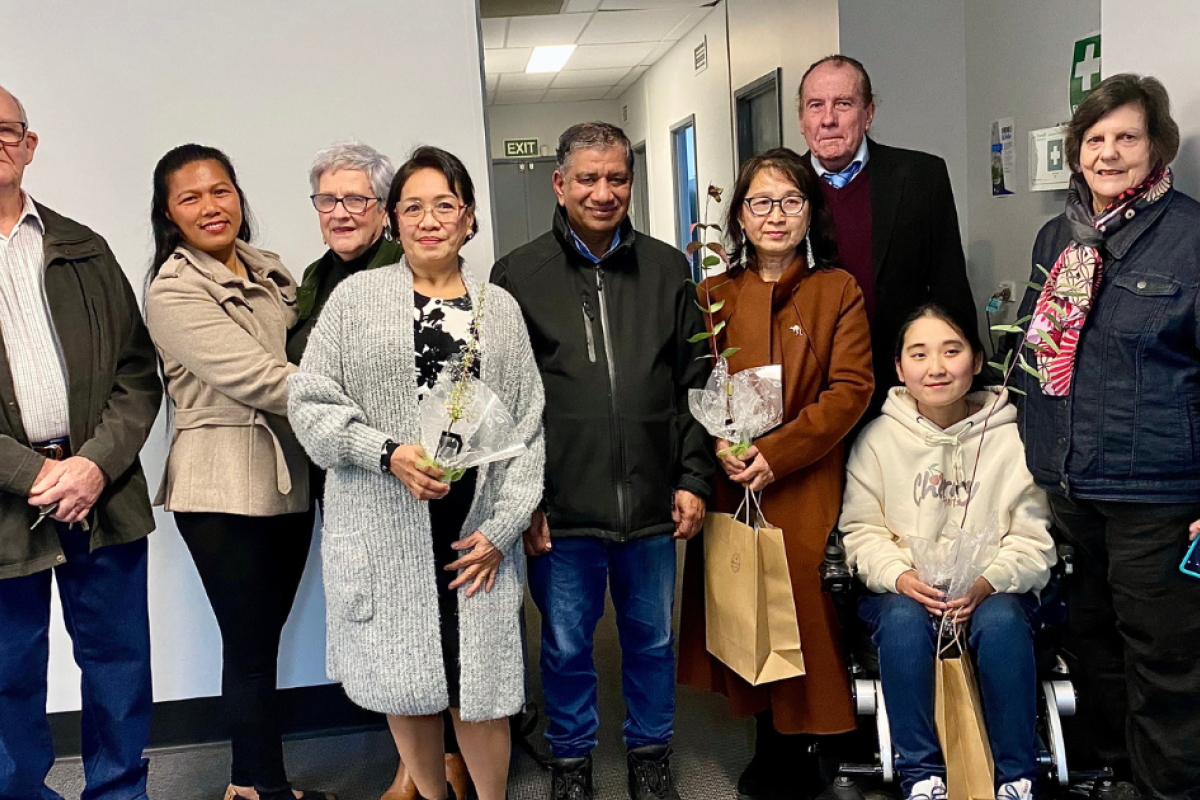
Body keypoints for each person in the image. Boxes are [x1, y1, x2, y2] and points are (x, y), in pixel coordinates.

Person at [289, 146, 544, 800]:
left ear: (469, 219)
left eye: (445, 205)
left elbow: (528, 428)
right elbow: (310, 402)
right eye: (413, 207)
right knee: (404, 678)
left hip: (473, 533)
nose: (429, 220)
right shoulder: (354, 302)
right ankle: (430, 794)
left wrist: (503, 530)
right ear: (393, 220)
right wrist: (385, 451)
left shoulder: (501, 310)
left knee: (480, 690)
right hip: (385, 521)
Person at [491, 122, 713, 800]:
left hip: (651, 500)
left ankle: (650, 756)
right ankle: (571, 763)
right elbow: (502, 403)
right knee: (563, 647)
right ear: (560, 185)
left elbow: (697, 381)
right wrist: (523, 500)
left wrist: (695, 477)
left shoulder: (671, 269)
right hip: (563, 505)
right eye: (587, 178)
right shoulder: (516, 275)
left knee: (650, 643)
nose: (603, 191)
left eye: (617, 177)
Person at [1015, 73, 1200, 800]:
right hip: (1069, 486)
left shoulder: (1190, 238)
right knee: (1091, 651)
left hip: (1159, 495)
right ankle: (1112, 780)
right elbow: (1032, 353)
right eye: (1095, 139)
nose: (1110, 152)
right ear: (1076, 151)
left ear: (1156, 146)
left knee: (1167, 664)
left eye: (1127, 137)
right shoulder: (1057, 235)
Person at [676, 148, 874, 799]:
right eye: (761, 202)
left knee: (804, 607)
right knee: (743, 604)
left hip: (804, 476)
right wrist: (720, 448)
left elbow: (850, 390)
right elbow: (691, 383)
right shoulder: (711, 295)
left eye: (791, 201)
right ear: (739, 214)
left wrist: (779, 453)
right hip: (732, 480)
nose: (776, 215)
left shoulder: (835, 290)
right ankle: (767, 739)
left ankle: (815, 740)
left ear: (811, 212)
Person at [143, 144, 326, 800]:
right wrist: (353, 397)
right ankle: (265, 790)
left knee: (261, 641)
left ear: (238, 197)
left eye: (219, 191)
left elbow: (305, 348)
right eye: (189, 197)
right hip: (222, 481)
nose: (209, 206)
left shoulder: (271, 270)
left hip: (288, 472)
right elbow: (254, 375)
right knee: (249, 645)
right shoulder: (173, 289)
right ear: (169, 214)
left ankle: (249, 784)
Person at [285, 142, 462, 800]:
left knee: (430, 625)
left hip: (415, 484)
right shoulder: (313, 279)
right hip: (351, 480)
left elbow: (451, 386)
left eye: (357, 198)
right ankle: (421, 765)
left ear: (384, 210)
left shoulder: (414, 269)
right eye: (327, 199)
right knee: (385, 631)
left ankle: (437, 765)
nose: (341, 211)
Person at [0, 84, 161, 800]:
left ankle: (120, 792)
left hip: (102, 491)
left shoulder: (82, 247)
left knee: (119, 664)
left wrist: (92, 466)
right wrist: (32, 475)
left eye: (8, 130)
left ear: (31, 146)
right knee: (7, 671)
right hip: (6, 500)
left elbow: (137, 373)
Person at [840, 304, 1055, 800]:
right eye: (919, 354)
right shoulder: (877, 441)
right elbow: (861, 532)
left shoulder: (1013, 439)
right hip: (905, 591)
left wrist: (988, 580)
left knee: (1000, 620)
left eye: (951, 350)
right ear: (899, 369)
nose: (935, 367)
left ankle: (1016, 778)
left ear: (977, 360)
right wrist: (899, 575)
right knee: (900, 619)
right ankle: (922, 776)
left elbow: (1032, 536)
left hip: (994, 590)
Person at [798, 55, 978, 420]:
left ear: (868, 113)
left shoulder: (921, 177)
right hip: (812, 401)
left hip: (904, 393)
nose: (828, 119)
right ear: (802, 120)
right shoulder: (782, 189)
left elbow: (949, 286)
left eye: (843, 104)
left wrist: (964, 389)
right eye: (816, 106)